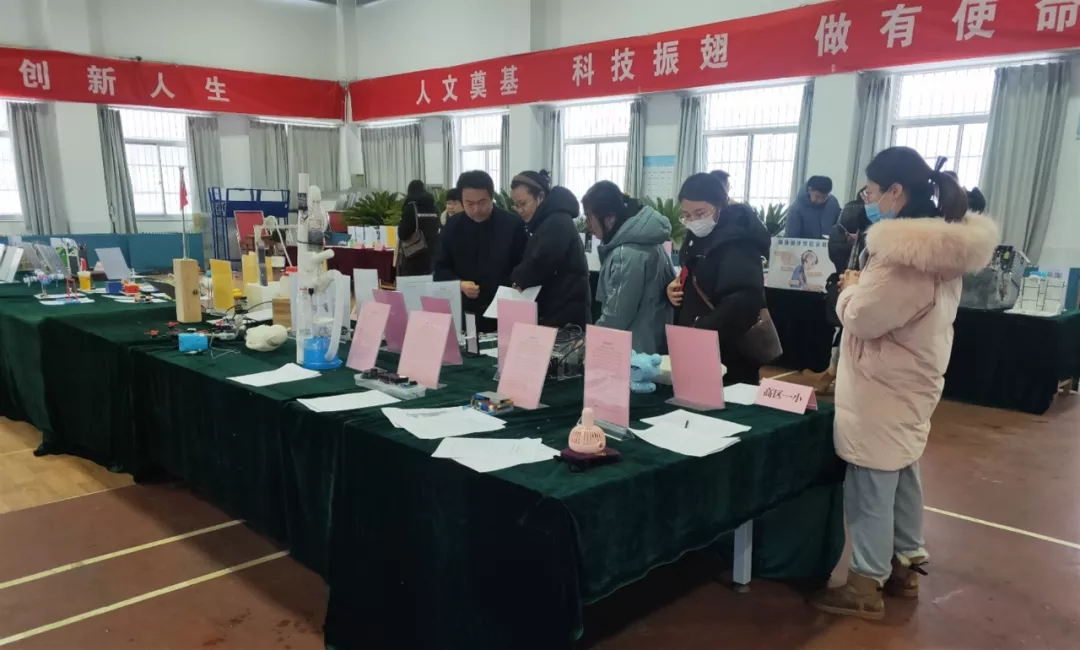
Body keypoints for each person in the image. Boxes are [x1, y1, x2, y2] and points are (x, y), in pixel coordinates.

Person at [812, 147, 999, 620]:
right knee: (902, 472)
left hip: (883, 382)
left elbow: (864, 317)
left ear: (896, 191)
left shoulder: (904, 256)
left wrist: (849, 289)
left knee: (871, 483)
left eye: (871, 191)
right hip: (914, 376)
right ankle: (904, 565)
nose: (867, 200)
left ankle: (865, 582)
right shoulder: (943, 248)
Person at [665, 173, 771, 385]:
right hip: (696, 347)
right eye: (686, 215)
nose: (693, 221)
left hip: (729, 355)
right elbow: (694, 274)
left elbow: (744, 300)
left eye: (700, 213)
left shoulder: (739, 242)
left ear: (720, 205)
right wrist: (674, 288)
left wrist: (700, 328)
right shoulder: (697, 236)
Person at [582, 180, 675, 354]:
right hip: (652, 344)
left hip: (633, 351)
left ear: (610, 218)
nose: (588, 225)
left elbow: (617, 315)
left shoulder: (626, 254)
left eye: (590, 217)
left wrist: (590, 343)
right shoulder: (650, 242)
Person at [434, 171, 528, 332]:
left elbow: (523, 266)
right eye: (469, 203)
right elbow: (440, 267)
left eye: (482, 202)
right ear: (461, 201)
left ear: (491, 198)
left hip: (502, 311)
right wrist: (460, 284)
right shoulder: (453, 226)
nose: (476, 209)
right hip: (465, 310)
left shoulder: (512, 225)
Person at [508, 170, 591, 329]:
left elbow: (541, 261)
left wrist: (518, 280)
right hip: (558, 309)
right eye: (516, 206)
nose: (520, 210)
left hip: (566, 314)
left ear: (540, 197)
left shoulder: (557, 221)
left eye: (523, 204)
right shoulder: (545, 221)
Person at [397, 180, 441, 277]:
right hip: (432, 254)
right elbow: (438, 226)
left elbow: (402, 233)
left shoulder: (411, 207)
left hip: (414, 255)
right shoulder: (434, 207)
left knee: (413, 284)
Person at [786, 176, 842, 240]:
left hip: (828, 244)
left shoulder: (832, 203)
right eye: (817, 196)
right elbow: (791, 239)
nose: (820, 200)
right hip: (804, 245)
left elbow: (840, 226)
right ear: (810, 190)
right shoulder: (796, 209)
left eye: (824, 197)